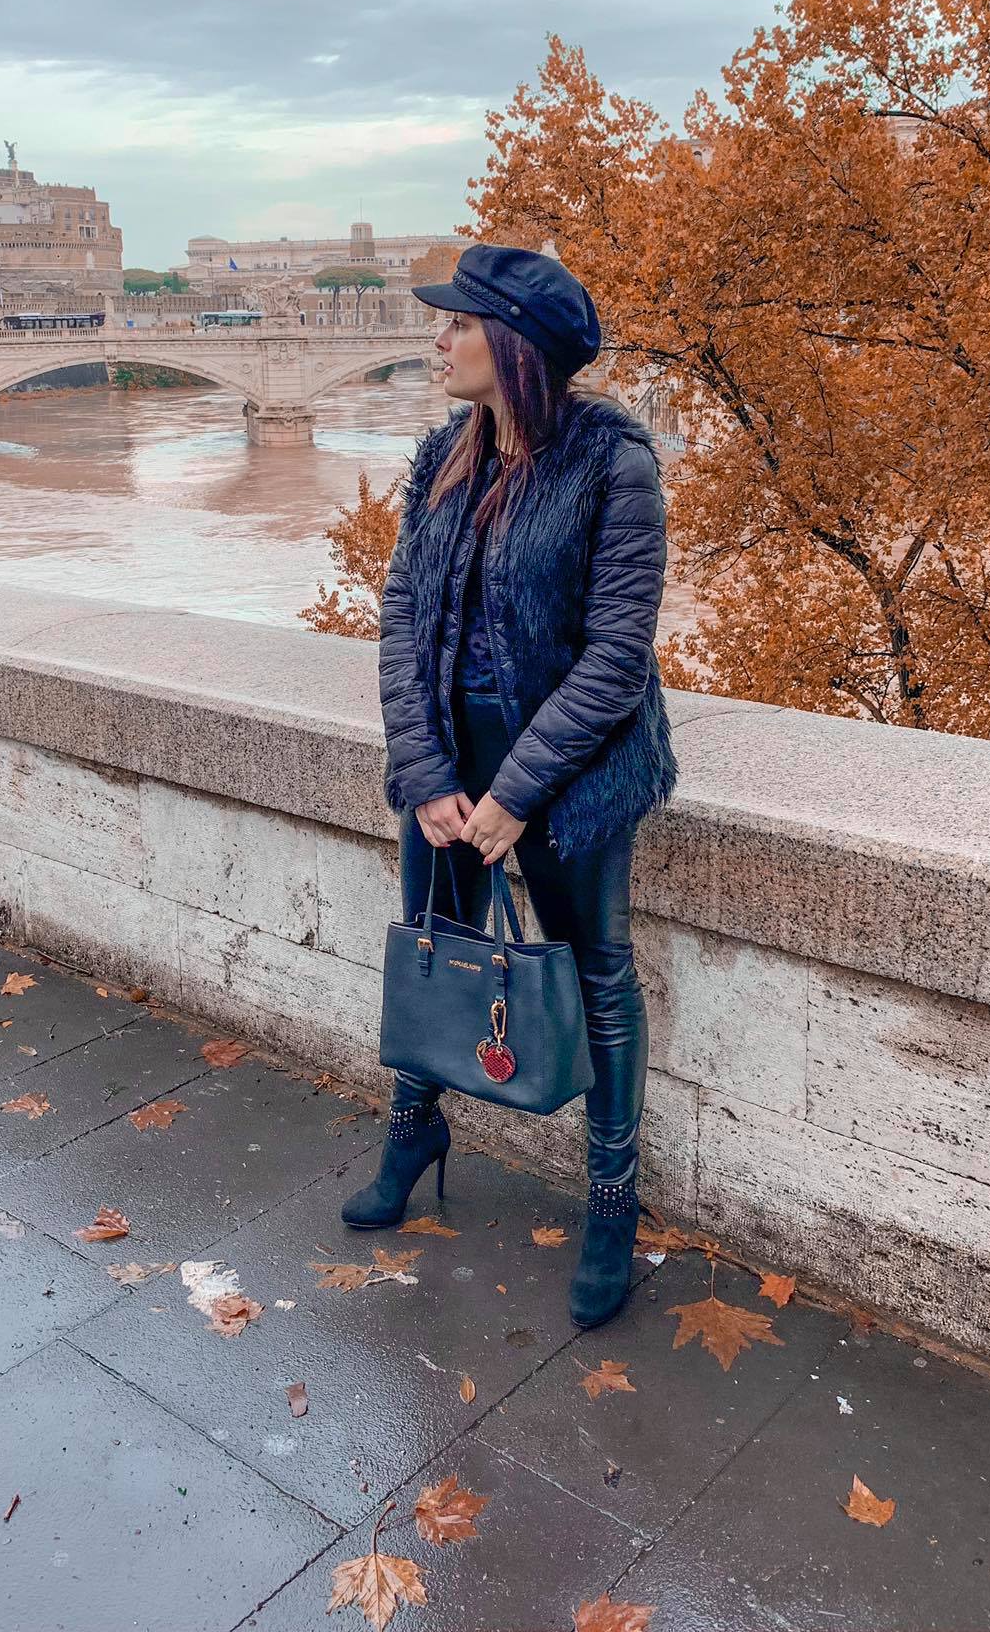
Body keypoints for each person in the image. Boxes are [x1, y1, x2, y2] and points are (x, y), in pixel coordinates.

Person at [342, 242, 679, 1330]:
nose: (436, 339)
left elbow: (617, 657)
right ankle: (414, 1125)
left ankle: (613, 1200)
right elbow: (401, 615)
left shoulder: (612, 463)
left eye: (456, 322)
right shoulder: (446, 451)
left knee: (599, 976)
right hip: (449, 763)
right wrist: (429, 771)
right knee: (432, 934)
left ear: (514, 344)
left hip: (572, 771)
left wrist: (520, 791)